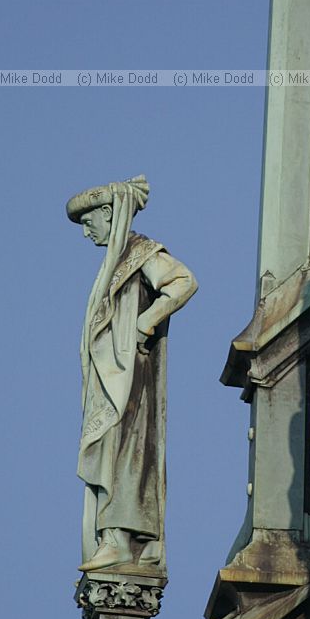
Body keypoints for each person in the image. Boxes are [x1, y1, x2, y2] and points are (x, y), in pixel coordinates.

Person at [66, 175, 197, 571]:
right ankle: (111, 538)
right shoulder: (114, 264)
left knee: (125, 454)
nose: (86, 231)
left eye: (89, 221)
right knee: (110, 451)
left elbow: (183, 281)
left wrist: (145, 322)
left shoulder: (142, 253)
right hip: (109, 382)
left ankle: (121, 539)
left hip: (132, 378)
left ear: (110, 212)